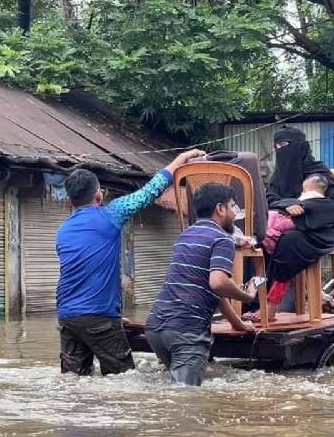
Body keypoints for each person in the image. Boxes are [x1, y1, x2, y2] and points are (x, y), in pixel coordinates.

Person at [55, 148, 205, 376]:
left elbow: (84, 274)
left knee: (74, 381)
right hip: (99, 318)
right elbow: (151, 191)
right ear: (99, 195)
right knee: (122, 379)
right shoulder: (110, 214)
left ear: (68, 200)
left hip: (67, 317)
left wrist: (112, 315)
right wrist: (182, 159)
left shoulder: (62, 230)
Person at [145, 182, 258, 386]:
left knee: (177, 393)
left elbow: (213, 292)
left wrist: (239, 325)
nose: (234, 213)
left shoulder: (184, 236)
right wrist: (247, 296)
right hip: (186, 330)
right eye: (233, 206)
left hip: (155, 328)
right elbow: (218, 283)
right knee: (185, 401)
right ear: (220, 208)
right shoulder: (222, 239)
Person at [243, 126, 334, 322]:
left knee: (288, 241)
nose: (281, 150)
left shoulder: (319, 173)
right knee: (254, 240)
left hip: (316, 232)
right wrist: (288, 204)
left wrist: (304, 207)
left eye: (285, 145)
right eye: (277, 146)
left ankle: (271, 306)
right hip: (282, 225)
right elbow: (268, 198)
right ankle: (253, 301)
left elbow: (333, 206)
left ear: (300, 147)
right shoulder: (278, 176)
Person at [262, 174, 329, 254]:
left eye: (304, 191)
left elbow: (300, 203)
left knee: (274, 221)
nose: (302, 193)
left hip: (296, 220)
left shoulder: (312, 196)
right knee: (272, 217)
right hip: (293, 219)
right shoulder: (322, 201)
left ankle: (270, 243)